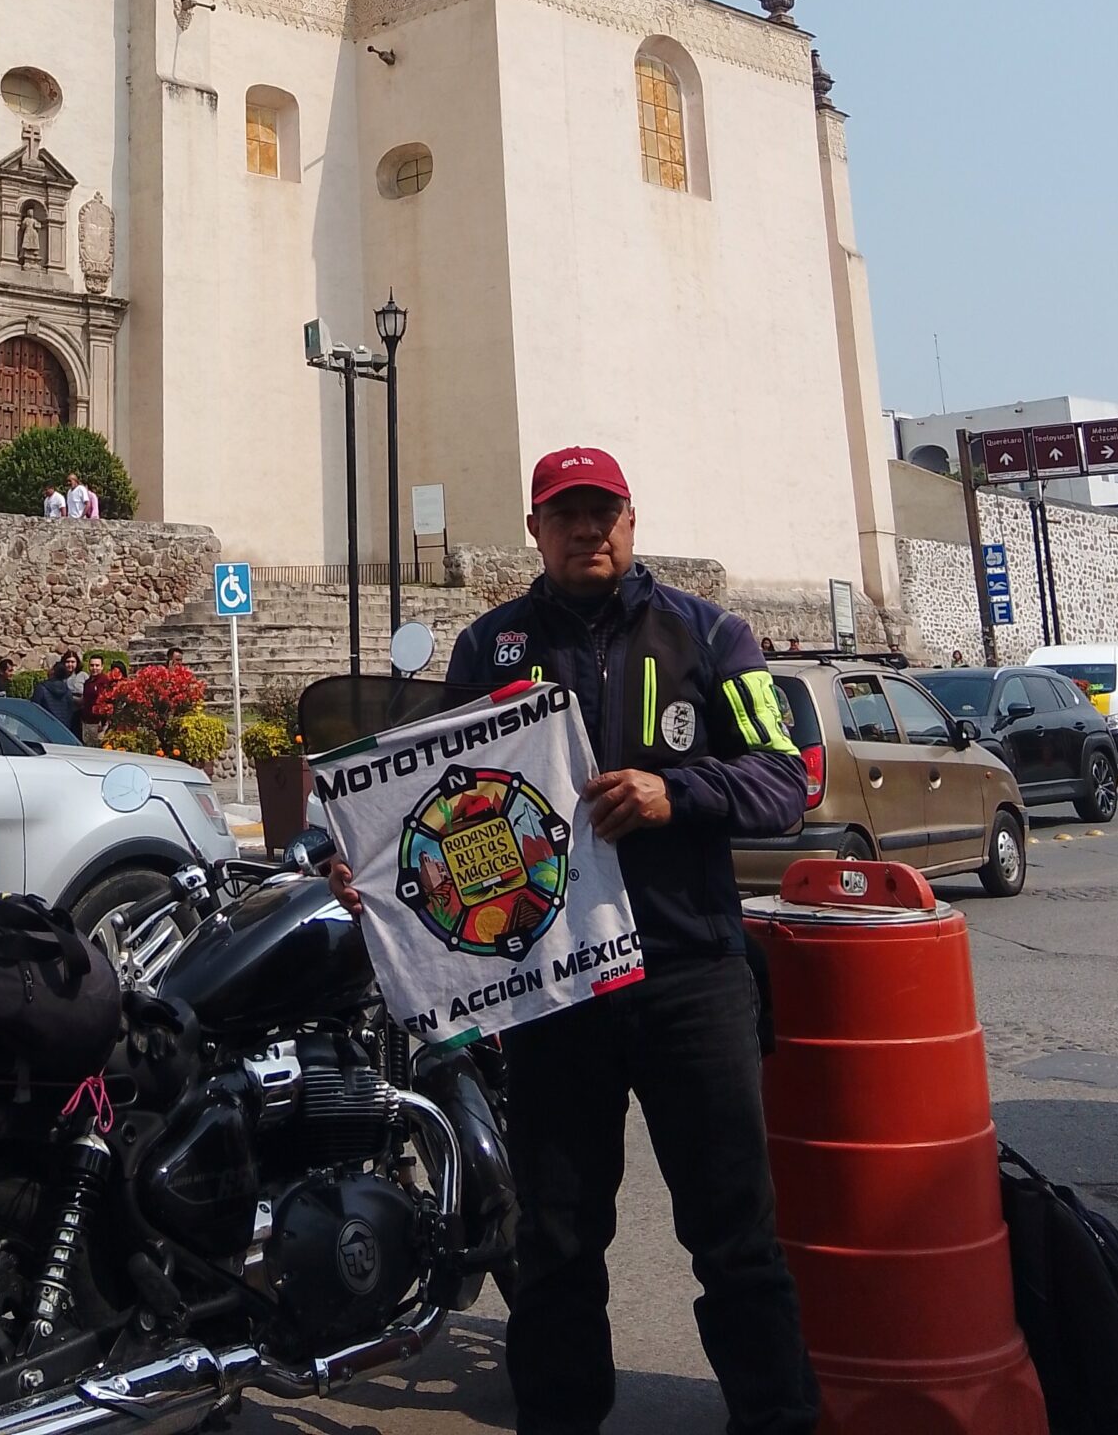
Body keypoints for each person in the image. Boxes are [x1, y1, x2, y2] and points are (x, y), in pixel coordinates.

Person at [332, 445, 817, 1435]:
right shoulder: (489, 648)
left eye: (603, 512)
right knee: (554, 1242)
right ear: (535, 530)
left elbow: (785, 781)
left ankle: (778, 1419)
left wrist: (676, 792)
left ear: (631, 520)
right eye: (565, 514)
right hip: (553, 993)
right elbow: (433, 801)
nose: (587, 529)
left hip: (690, 977)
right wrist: (368, 871)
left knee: (736, 1238)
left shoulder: (713, 634)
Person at [34, 648, 84, 730]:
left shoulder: (42, 688)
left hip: (46, 725)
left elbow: (35, 708)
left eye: (73, 662)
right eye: (67, 662)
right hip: (64, 727)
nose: (70, 664)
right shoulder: (66, 689)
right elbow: (70, 709)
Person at [79, 653, 119, 744]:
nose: (94, 668)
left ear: (102, 667)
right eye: (92, 665)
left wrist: (103, 721)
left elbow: (108, 702)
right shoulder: (87, 682)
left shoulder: (105, 682)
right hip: (87, 722)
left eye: (97, 665)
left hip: (99, 724)